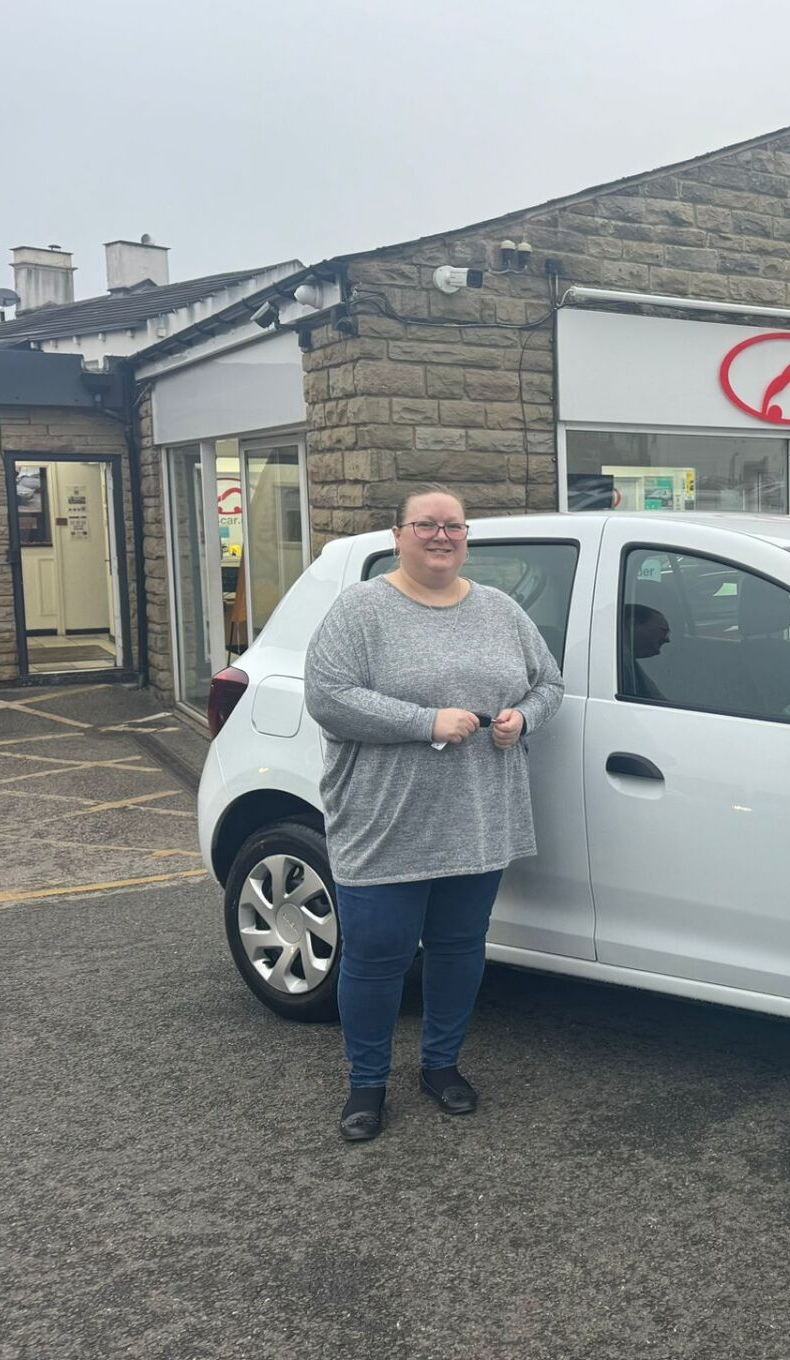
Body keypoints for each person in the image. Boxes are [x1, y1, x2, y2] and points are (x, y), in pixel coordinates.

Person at [303, 485, 564, 1142]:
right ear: (399, 535)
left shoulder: (502, 611)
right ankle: (367, 1082)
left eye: (454, 526)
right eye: (426, 525)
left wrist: (522, 718)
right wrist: (426, 723)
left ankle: (441, 1065)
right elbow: (329, 698)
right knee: (376, 955)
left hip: (479, 817)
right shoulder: (361, 611)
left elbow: (549, 683)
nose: (441, 536)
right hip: (384, 821)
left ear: (466, 537)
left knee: (457, 950)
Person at [621, 602, 670, 700]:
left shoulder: (622, 658)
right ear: (633, 624)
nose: (667, 640)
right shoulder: (618, 662)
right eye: (663, 631)